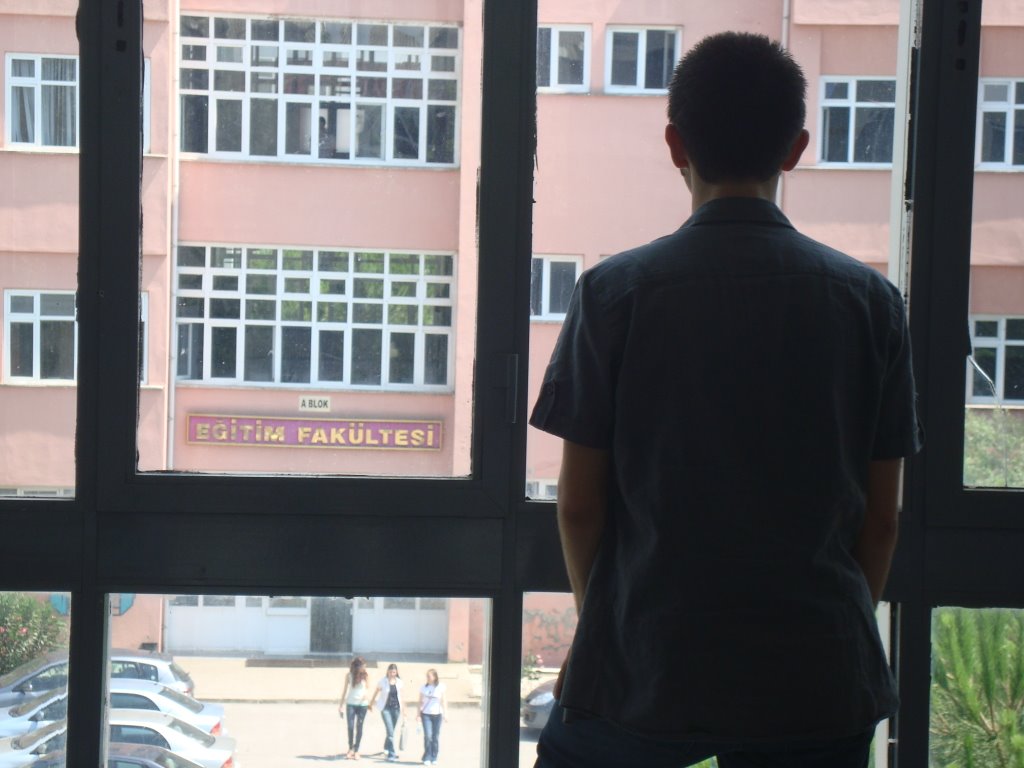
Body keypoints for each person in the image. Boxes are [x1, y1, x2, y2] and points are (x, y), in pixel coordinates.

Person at [528, 31, 923, 768]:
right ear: (796, 149)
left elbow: (579, 505)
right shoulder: (871, 303)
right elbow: (882, 519)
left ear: (675, 144)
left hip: (647, 665)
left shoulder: (614, 294)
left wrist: (608, 633)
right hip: (817, 677)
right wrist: (834, 635)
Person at [339, 656, 371, 760]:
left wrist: (367, 698)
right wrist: (341, 705)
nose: (365, 667)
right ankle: (350, 749)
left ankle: (356, 750)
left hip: (362, 705)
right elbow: (344, 690)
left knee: (359, 726)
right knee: (350, 726)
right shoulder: (349, 675)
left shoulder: (366, 675)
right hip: (351, 704)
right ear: (358, 666)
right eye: (363, 665)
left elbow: (367, 688)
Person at [374, 663, 405, 762]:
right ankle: (391, 754)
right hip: (385, 709)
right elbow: (376, 692)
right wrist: (371, 703)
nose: (392, 674)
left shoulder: (399, 682)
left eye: (394, 672)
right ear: (387, 672)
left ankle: (386, 747)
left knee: (391, 731)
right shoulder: (383, 681)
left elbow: (402, 697)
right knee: (390, 732)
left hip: (396, 709)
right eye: (390, 672)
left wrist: (405, 711)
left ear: (396, 673)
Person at [417, 668, 447, 765]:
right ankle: (427, 757)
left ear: (434, 677)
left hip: (437, 715)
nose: (427, 678)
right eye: (427, 676)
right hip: (426, 715)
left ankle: (434, 756)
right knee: (428, 736)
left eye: (429, 676)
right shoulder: (423, 688)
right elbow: (420, 702)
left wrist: (446, 714)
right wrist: (418, 715)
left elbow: (444, 701)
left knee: (435, 737)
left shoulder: (441, 687)